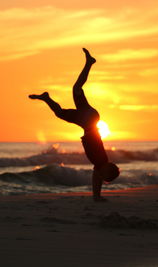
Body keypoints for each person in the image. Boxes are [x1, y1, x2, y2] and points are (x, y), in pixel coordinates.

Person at [29, 48, 120, 202]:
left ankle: (46, 98)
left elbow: (96, 178)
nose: (100, 176)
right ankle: (89, 63)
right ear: (106, 169)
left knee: (63, 109)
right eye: (104, 175)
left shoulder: (100, 165)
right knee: (76, 89)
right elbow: (97, 176)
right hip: (88, 121)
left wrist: (96, 196)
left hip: (88, 121)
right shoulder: (100, 160)